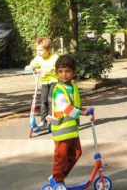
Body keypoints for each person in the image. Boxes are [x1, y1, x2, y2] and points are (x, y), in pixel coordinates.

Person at [49, 54, 93, 184]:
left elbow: (73, 105)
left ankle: (58, 177)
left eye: (67, 71)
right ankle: (57, 180)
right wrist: (82, 113)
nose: (64, 75)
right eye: (61, 71)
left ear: (74, 72)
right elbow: (63, 106)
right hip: (62, 129)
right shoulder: (59, 89)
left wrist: (84, 110)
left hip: (72, 129)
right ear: (56, 72)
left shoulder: (73, 87)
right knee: (61, 157)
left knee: (76, 153)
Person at [25, 37, 60, 127]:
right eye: (37, 50)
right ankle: (43, 121)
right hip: (45, 82)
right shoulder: (38, 58)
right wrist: (29, 67)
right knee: (43, 101)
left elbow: (60, 67)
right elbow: (32, 64)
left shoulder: (55, 57)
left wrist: (52, 69)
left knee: (51, 99)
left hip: (54, 81)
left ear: (48, 50)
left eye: (41, 50)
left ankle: (52, 118)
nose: (39, 52)